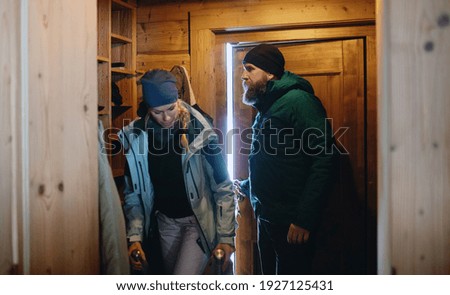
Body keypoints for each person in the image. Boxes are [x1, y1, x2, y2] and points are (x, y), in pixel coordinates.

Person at [118, 69, 236, 275]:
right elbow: (133, 195)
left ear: (178, 101)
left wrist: (226, 237)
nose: (166, 117)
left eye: (171, 108)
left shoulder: (201, 131)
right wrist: (135, 237)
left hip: (196, 224)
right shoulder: (136, 138)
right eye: (157, 111)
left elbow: (223, 186)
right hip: (165, 223)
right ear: (147, 108)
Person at [234, 44, 335, 275]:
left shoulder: (299, 101)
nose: (243, 75)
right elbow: (276, 160)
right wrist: (249, 186)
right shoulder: (267, 106)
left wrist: (304, 219)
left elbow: (325, 158)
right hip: (267, 218)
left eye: (249, 68)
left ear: (269, 73)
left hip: (291, 223)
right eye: (243, 69)